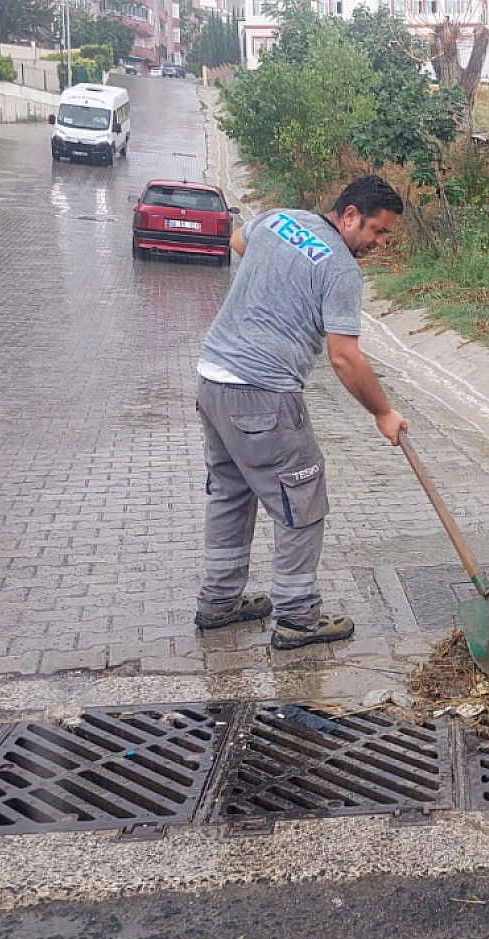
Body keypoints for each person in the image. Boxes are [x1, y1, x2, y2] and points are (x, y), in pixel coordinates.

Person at [192, 175, 408, 650]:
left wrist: (282, 279)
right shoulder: (341, 271)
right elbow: (345, 357)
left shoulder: (281, 219)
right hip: (263, 393)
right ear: (349, 214)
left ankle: (219, 602)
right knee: (301, 502)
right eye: (377, 231)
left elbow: (236, 240)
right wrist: (383, 413)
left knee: (231, 492)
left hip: (213, 379)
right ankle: (298, 618)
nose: (378, 243)